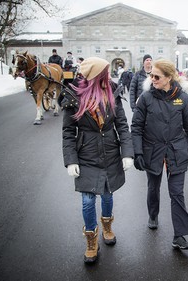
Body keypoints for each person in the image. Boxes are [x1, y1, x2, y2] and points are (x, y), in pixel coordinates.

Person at [61, 57, 134, 263]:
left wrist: (127, 152)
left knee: (108, 194)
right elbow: (68, 132)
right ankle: (91, 240)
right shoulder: (73, 96)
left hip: (110, 151)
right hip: (86, 154)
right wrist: (71, 160)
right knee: (87, 200)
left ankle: (107, 227)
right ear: (95, 75)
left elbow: (122, 125)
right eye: (105, 72)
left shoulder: (112, 92)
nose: (109, 75)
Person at [131, 59, 188, 250]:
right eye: (151, 75)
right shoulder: (146, 98)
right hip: (152, 151)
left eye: (157, 76)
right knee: (153, 188)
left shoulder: (183, 98)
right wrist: (137, 151)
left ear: (169, 77)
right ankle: (153, 214)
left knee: (177, 193)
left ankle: (179, 235)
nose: (152, 79)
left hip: (176, 151)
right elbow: (136, 127)